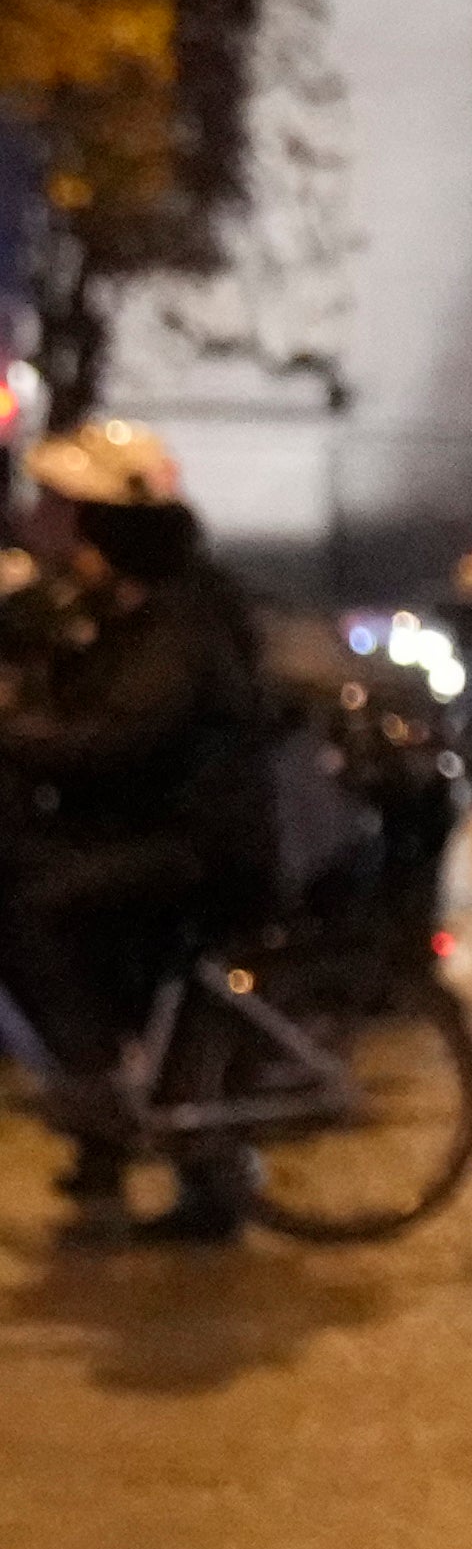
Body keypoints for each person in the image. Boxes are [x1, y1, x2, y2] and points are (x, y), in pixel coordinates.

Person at [0, 415, 279, 1235]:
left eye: (59, 505)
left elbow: (120, 732)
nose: (39, 515)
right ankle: (107, 1126)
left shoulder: (179, 616)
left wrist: (15, 736)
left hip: (198, 845)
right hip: (153, 828)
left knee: (32, 901)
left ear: (105, 522)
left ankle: (95, 1086)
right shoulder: (118, 597)